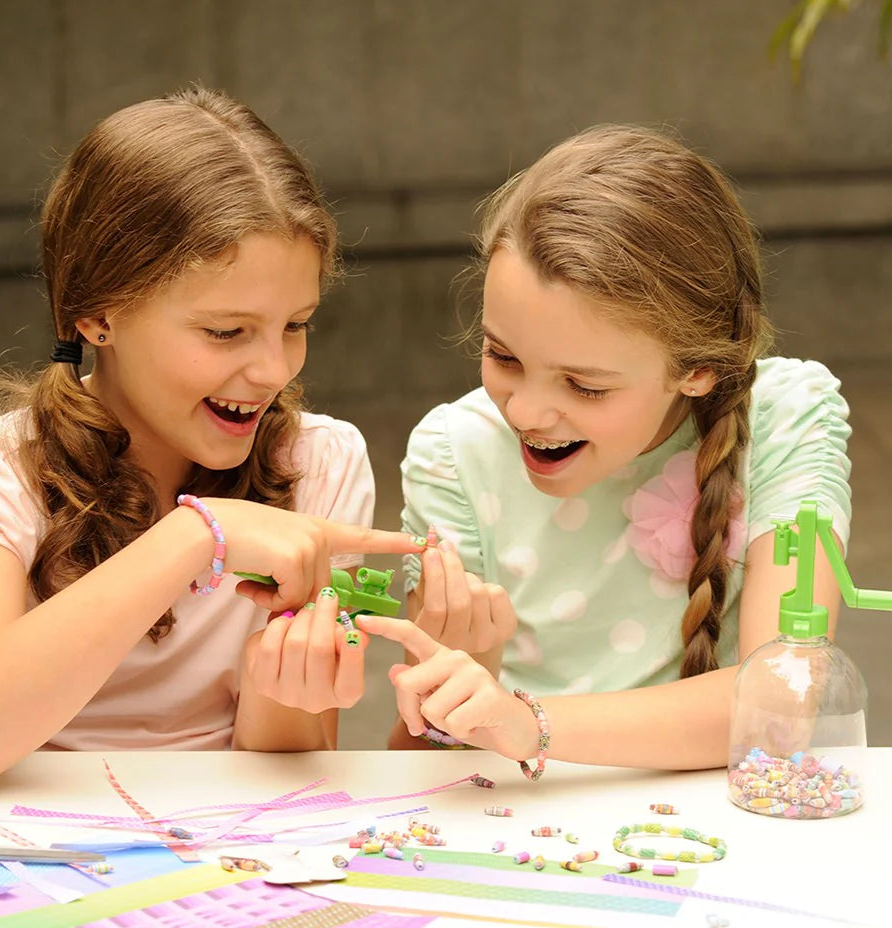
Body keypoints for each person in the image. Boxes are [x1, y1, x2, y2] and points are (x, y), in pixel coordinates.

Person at [0, 87, 423, 787]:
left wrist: (290, 682)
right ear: (96, 315)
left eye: (296, 324)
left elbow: (286, 766)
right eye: (225, 331)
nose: (273, 369)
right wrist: (196, 535)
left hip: (227, 848)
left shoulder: (320, 464)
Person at [359, 124, 851, 774]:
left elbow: (780, 707)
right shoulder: (455, 454)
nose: (526, 412)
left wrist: (526, 721)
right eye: (502, 355)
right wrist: (459, 689)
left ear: (697, 368)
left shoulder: (790, 419)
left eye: (585, 386)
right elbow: (423, 756)